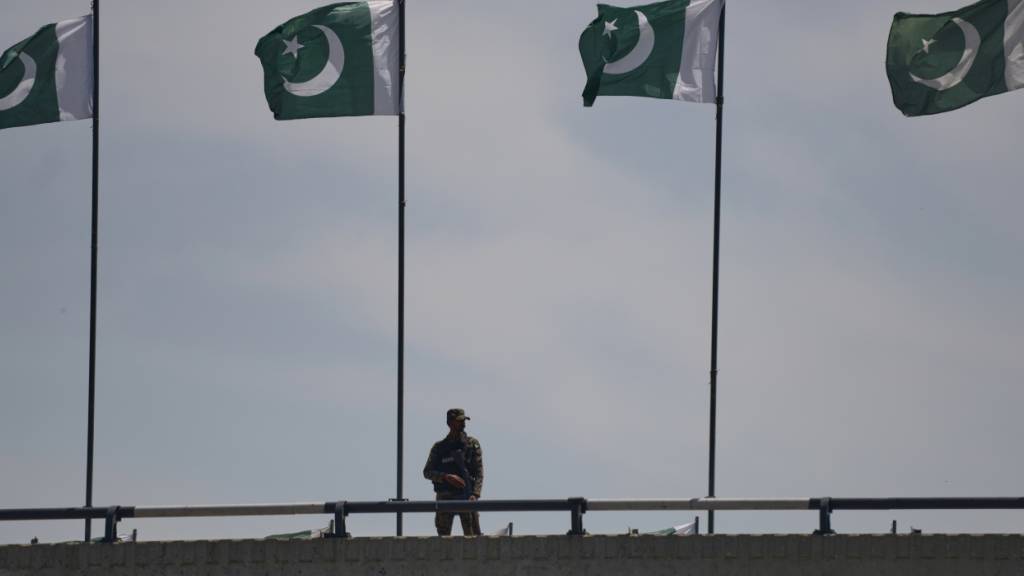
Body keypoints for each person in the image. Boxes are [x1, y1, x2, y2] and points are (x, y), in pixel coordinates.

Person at [423, 408, 483, 536]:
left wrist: (475, 494)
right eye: (459, 421)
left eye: (464, 420)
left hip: (466, 497)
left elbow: (479, 472)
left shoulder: (471, 444)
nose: (463, 424)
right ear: (450, 423)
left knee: (472, 539)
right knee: (443, 541)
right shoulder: (439, 448)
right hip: (445, 497)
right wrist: (446, 477)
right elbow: (427, 472)